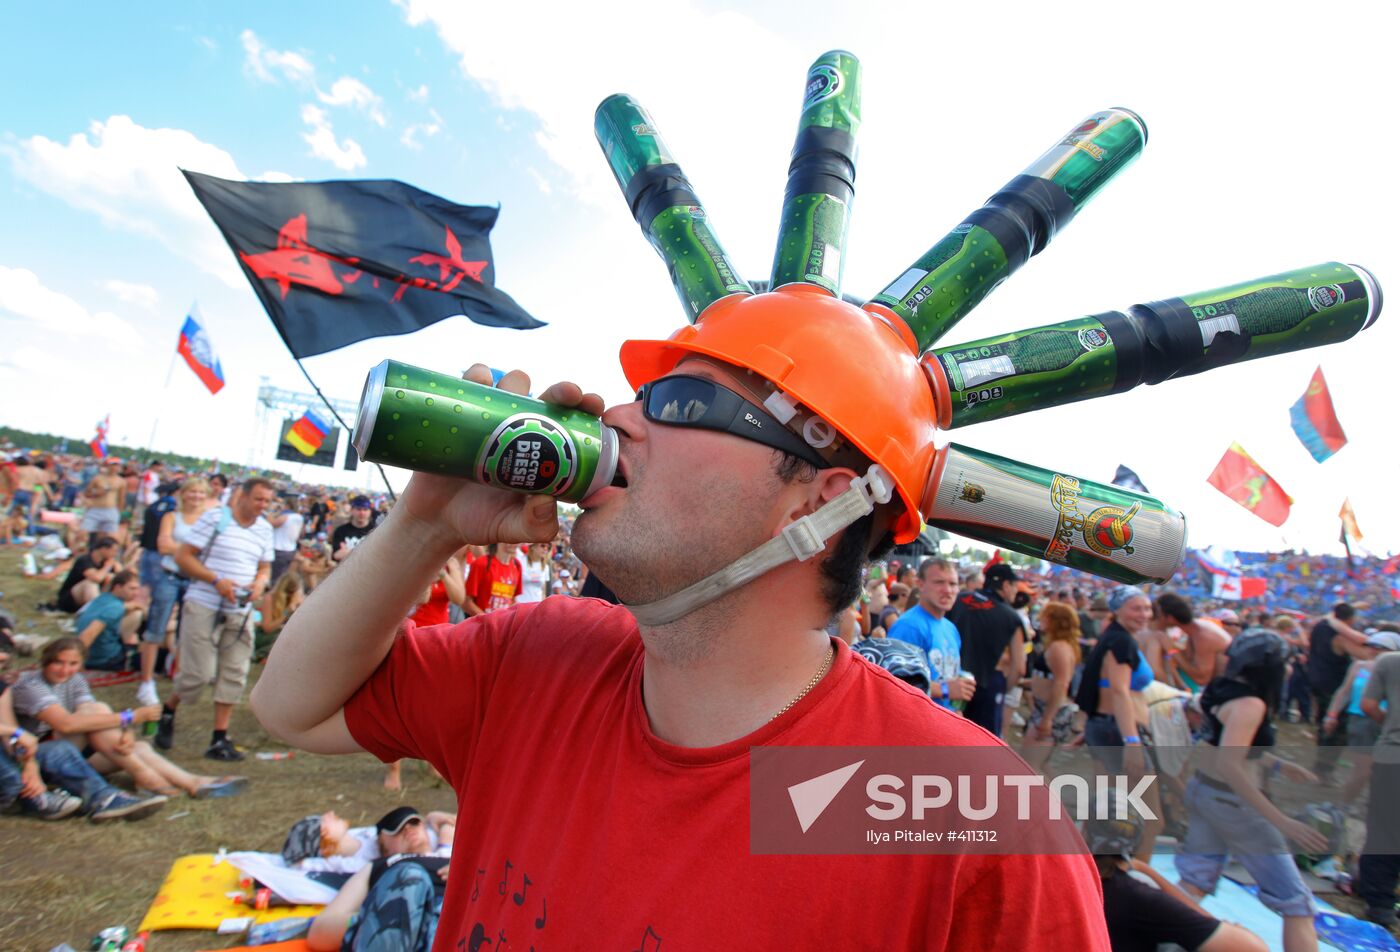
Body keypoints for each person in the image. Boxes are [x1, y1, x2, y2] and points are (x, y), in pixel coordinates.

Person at [254, 302, 1109, 946]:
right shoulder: (541, 653)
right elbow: (293, 708)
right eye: (637, 395)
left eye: (679, 401)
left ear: (815, 502)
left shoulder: (967, 815)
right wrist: (427, 524)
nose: (617, 417)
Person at [1175, 629, 1327, 952]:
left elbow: (1223, 744)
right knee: (1297, 903)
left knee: (1193, 883)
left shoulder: (1222, 689)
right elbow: (1232, 766)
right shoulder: (1251, 703)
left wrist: (1278, 765)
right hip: (1233, 805)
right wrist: (1282, 822)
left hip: (1203, 792)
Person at [11, 638, 244, 801]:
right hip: (39, 757)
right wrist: (131, 717)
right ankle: (147, 779)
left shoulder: (75, 681)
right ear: (45, 661)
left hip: (74, 751)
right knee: (96, 713)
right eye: (58, 663)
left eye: (73, 664)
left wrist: (126, 732)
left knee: (135, 743)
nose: (65, 670)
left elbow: (94, 713)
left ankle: (192, 782)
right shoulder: (30, 685)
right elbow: (66, 724)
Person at [157, 478, 274, 761]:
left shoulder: (265, 528)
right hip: (204, 601)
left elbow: (264, 567)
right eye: (258, 499)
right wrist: (216, 580)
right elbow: (184, 557)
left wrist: (259, 584)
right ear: (242, 497)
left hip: (240, 608)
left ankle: (219, 737)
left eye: (267, 501)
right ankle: (170, 708)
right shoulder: (215, 518)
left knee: (235, 671)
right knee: (198, 673)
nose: (263, 506)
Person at [1086, 809, 1267, 952]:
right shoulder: (1137, 895)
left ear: (1082, 829)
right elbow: (1253, 948)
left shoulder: (1069, 877)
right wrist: (1145, 870)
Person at [1, 677, 164, 822]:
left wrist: (29, 764)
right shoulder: (30, 685)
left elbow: (12, 740)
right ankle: (30, 798)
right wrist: (14, 733)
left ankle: (104, 799)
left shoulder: (2, 688)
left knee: (59, 750)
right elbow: (14, 732)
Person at [306, 807, 456, 951]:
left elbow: (454, 822)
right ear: (382, 842)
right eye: (398, 828)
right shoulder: (379, 867)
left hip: (454, 918)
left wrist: (465, 875)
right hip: (399, 925)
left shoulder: (453, 856)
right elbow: (319, 934)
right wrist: (374, 915)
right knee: (409, 874)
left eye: (415, 823)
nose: (409, 829)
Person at [139, 477, 211, 706]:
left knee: (187, 632)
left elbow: (205, 550)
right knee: (156, 628)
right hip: (168, 576)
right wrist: (191, 552)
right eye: (193, 492)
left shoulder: (208, 520)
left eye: (201, 492)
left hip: (194, 580)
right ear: (183, 494)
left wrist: (179, 550)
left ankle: (176, 675)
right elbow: (162, 546)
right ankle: (146, 681)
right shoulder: (171, 516)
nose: (196, 496)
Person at [1074, 586, 1155, 776]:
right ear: (1117, 610)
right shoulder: (1121, 641)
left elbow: (1096, 681)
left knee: (1110, 799)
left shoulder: (1113, 636)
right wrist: (1132, 741)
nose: (1143, 614)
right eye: (1136, 608)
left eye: (1147, 608)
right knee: (1146, 804)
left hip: (1106, 725)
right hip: (1117, 729)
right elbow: (1119, 691)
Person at [947, 561, 1027, 735]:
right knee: (982, 748)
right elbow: (1019, 668)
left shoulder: (959, 598)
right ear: (1006, 585)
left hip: (949, 680)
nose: (1016, 591)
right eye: (1015, 586)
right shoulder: (1012, 617)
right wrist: (1003, 689)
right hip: (986, 688)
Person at [1323, 630, 1400, 807]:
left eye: (1380, 648)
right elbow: (1344, 692)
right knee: (1363, 770)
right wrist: (1332, 715)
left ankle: (1373, 804)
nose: (1373, 650)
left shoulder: (1393, 669)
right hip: (1361, 721)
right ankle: (1344, 805)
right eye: (1371, 646)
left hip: (1389, 723)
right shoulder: (1359, 666)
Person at [887, 557, 974, 709]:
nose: (947, 590)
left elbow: (949, 675)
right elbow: (894, 682)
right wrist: (945, 690)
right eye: (939, 582)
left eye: (953, 584)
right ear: (920, 584)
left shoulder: (950, 628)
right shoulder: (909, 626)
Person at [1358, 636, 1400, 927]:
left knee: (1384, 829)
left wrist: (1391, 724)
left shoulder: (1389, 661)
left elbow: (1369, 705)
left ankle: (1380, 902)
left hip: (1392, 756)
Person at [1307, 603, 1370, 783]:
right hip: (1333, 686)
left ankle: (1321, 765)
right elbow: (1364, 655)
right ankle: (1324, 770)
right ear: (1350, 619)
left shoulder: (1320, 626)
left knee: (1323, 724)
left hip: (1316, 679)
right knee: (1335, 728)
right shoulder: (1341, 636)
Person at [1023, 600, 1081, 773]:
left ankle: (1050, 801)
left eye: (1044, 617)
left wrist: (1047, 718)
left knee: (1030, 765)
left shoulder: (1059, 647)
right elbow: (1047, 679)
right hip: (1046, 709)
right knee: (1040, 764)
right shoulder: (1058, 645)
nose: (1040, 621)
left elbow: (1061, 683)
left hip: (1050, 711)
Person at [1156, 593, 1232, 693]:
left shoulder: (1203, 636)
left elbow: (1202, 679)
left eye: (1157, 615)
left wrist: (1172, 650)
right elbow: (1189, 660)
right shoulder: (1195, 630)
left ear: (1170, 618)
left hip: (1227, 690)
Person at [73, 569, 145, 672]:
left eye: (137, 589)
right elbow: (88, 635)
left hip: (94, 654)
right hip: (105, 659)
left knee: (136, 614)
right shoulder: (115, 608)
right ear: (117, 587)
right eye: (132, 589)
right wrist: (77, 663)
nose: (136, 593)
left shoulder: (103, 599)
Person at [51, 535, 122, 614]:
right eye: (114, 551)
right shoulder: (84, 560)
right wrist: (107, 566)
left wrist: (117, 568)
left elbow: (120, 579)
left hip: (92, 596)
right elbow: (96, 578)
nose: (115, 554)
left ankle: (106, 607)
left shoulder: (105, 562)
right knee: (90, 583)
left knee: (111, 577)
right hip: (70, 599)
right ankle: (96, 612)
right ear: (104, 549)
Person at [462, 542, 523, 616]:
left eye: (516, 540)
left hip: (502, 624)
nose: (515, 543)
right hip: (482, 624)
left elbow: (512, 599)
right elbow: (466, 603)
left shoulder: (517, 565)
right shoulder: (481, 563)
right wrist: (487, 619)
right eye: (510, 540)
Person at [77, 457, 126, 545]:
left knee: (105, 537)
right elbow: (87, 493)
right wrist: (96, 492)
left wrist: (119, 512)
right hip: (96, 508)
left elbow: (121, 498)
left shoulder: (121, 481)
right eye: (113, 465)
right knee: (82, 533)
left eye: (117, 465)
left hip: (111, 509)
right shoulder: (98, 478)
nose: (115, 468)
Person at [267, 495, 305, 583]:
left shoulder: (286, 516)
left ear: (287, 505)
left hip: (279, 549)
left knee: (275, 577)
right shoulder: (299, 518)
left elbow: (271, 523)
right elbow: (302, 533)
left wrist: (271, 510)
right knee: (283, 575)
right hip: (291, 549)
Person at [331, 496, 376, 563]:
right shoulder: (341, 531)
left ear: (370, 512)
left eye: (365, 509)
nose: (362, 513)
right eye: (358, 509)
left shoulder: (376, 530)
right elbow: (335, 555)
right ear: (352, 510)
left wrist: (350, 553)